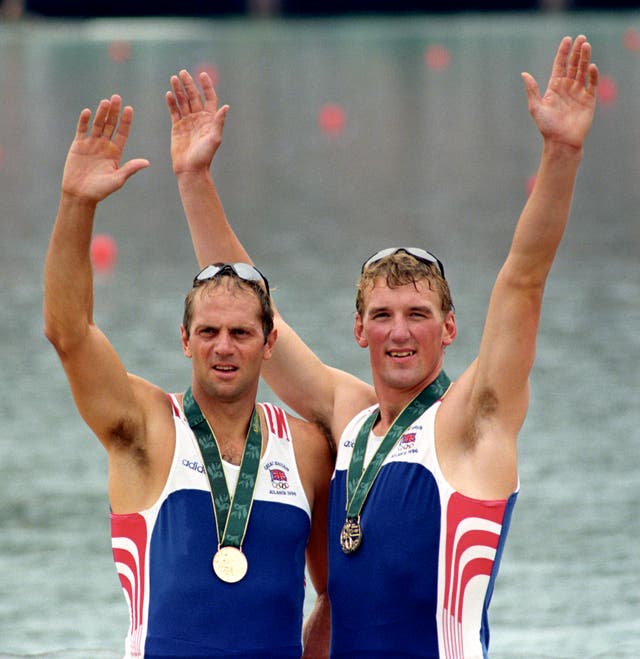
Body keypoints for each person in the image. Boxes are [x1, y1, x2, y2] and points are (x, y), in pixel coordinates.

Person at [167, 34, 598, 658]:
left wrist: (561, 153)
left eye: (418, 315)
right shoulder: (351, 419)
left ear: (449, 329)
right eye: (384, 315)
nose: (400, 332)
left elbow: (523, 280)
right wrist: (193, 178)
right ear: (359, 329)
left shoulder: (474, 421)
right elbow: (249, 308)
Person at [44, 93, 333, 658]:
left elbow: (333, 595)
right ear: (185, 340)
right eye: (207, 333)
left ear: (269, 342)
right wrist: (76, 203)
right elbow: (68, 333)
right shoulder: (144, 429)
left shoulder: (307, 450)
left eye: (241, 333)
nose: (222, 348)